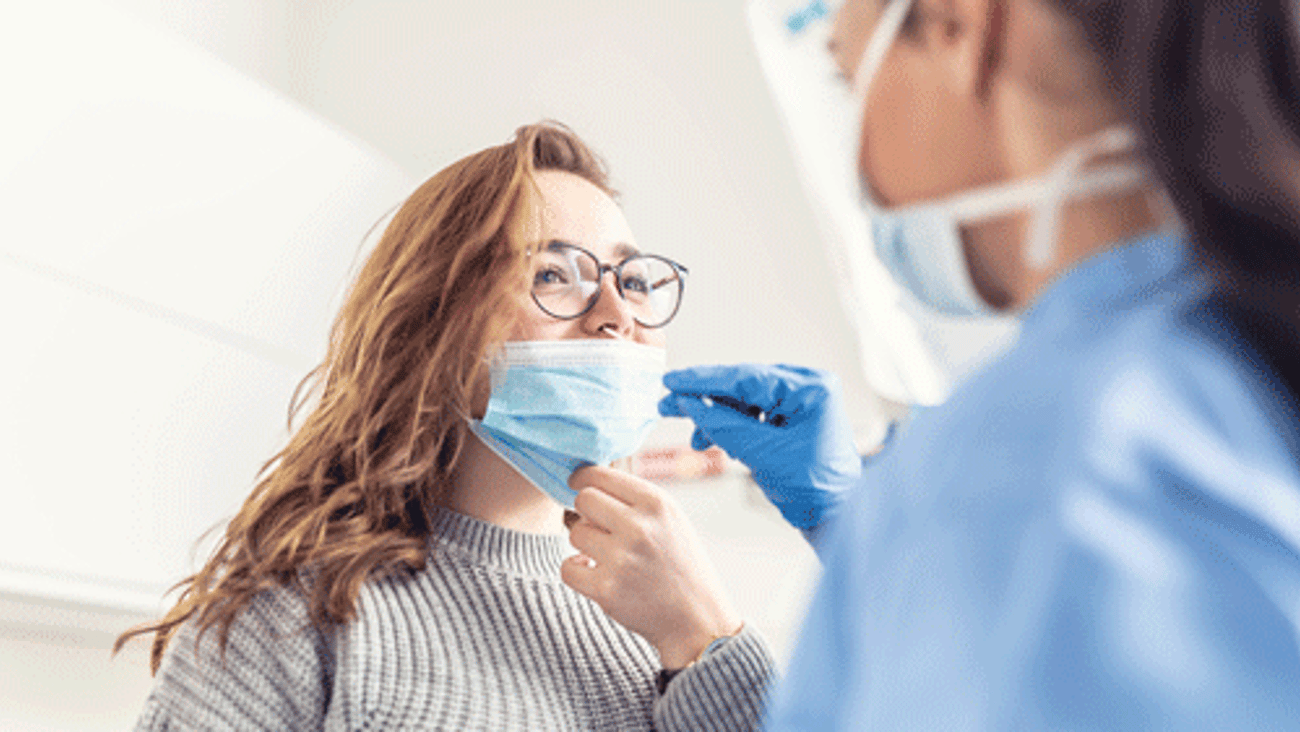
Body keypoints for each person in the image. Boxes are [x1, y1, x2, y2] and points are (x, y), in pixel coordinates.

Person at [567, 0, 1300, 727]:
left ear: (959, 29)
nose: (858, 161)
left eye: (846, 80)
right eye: (553, 276)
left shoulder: (1019, 471)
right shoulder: (1223, 360)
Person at [115, 121, 775, 730]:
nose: (615, 314)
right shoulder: (298, 617)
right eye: (554, 274)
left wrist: (705, 636)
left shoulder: (665, 612)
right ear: (438, 320)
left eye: (632, 280)